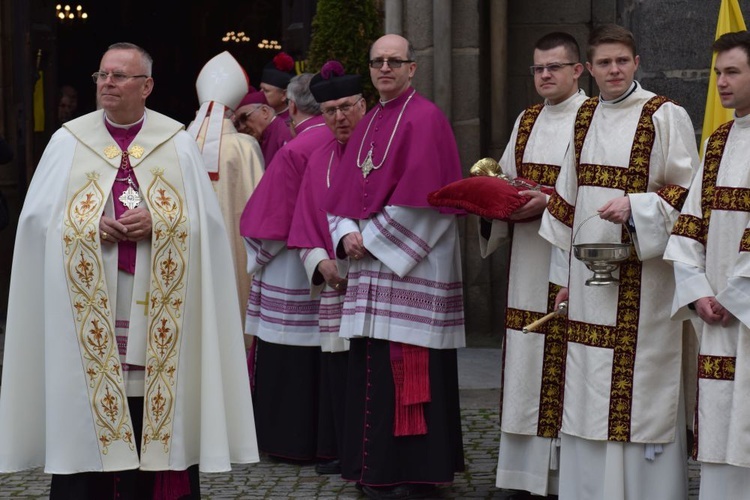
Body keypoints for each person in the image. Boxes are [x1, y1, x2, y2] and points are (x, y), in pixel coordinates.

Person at [0, 42, 259, 499]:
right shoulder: (68, 140)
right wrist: (84, 225)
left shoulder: (176, 143)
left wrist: (162, 223)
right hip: (89, 310)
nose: (107, 84)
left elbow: (208, 229)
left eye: (119, 76)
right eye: (102, 75)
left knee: (149, 413)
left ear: (147, 86)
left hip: (157, 314)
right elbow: (36, 223)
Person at [538, 25, 698, 499]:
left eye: (621, 61)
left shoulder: (664, 115)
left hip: (645, 284)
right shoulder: (583, 116)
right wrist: (562, 278)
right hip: (588, 284)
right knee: (588, 387)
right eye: (604, 63)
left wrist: (638, 207)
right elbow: (566, 202)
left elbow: (688, 196)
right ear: (588, 69)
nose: (613, 70)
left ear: (636, 62)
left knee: (641, 389)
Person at [325, 34, 466, 499]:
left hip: (412, 267)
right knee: (372, 370)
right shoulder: (369, 122)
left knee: (408, 373)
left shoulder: (426, 118)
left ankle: (416, 474)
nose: (385, 68)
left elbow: (429, 201)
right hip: (371, 264)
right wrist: (346, 234)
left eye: (394, 61)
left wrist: (372, 239)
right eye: (377, 62)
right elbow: (342, 193)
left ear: (412, 69)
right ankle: (376, 469)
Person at [479, 32, 587, 499]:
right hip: (527, 259)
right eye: (538, 68)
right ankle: (523, 477)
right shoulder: (526, 120)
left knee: (568, 361)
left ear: (578, 70)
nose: (545, 75)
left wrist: (550, 202)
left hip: (572, 261)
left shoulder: (594, 117)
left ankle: (566, 478)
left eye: (555, 67)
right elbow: (504, 177)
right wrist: (495, 203)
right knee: (526, 359)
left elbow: (600, 191)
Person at [664, 30, 750, 499]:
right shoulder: (717, 141)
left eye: (732, 71)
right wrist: (698, 293)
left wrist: (735, 298)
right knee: (719, 435)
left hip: (742, 312)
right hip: (718, 316)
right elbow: (689, 226)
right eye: (718, 72)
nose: (720, 82)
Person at [239, 73, 332, 462]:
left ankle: (288, 440)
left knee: (290, 355)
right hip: (334, 263)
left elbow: (271, 221)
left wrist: (255, 258)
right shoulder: (342, 138)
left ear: (290, 106)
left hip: (292, 267)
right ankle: (325, 440)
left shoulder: (297, 146)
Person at [287, 60, 366, 476]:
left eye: (346, 107)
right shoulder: (319, 160)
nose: (339, 117)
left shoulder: (377, 153)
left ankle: (364, 452)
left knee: (365, 369)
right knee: (337, 369)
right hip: (335, 282)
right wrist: (320, 262)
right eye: (330, 110)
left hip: (372, 276)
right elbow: (303, 224)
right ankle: (339, 447)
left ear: (363, 105)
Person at [186, 51, 265, 324]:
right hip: (235, 248)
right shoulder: (245, 146)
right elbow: (259, 205)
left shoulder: (180, 143)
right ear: (232, 112)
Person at [234, 89, 292, 165]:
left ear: (265, 111)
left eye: (244, 118)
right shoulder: (262, 137)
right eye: (237, 123)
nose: (242, 127)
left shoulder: (284, 134)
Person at [260, 52, 296, 120]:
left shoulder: (293, 120)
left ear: (284, 95)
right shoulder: (256, 115)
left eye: (266, 90)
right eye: (260, 89)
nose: (260, 94)